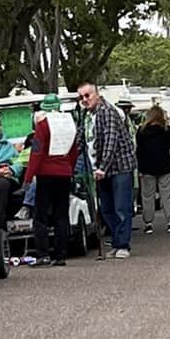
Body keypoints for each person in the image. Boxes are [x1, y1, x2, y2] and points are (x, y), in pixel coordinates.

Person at [78, 84, 136, 259]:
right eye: (81, 97)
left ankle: (123, 244)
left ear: (97, 94)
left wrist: (103, 167)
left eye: (87, 95)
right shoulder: (87, 116)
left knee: (121, 207)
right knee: (106, 209)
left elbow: (111, 140)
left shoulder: (108, 111)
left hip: (119, 166)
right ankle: (117, 242)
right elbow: (82, 140)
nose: (84, 100)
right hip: (100, 168)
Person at [25, 101, 81, 266]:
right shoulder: (70, 124)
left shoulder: (42, 126)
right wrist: (68, 168)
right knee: (61, 214)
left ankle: (43, 254)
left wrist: (28, 178)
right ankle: (60, 255)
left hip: (45, 173)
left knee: (40, 215)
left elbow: (36, 152)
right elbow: (74, 151)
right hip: (64, 173)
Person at [134, 103, 170, 234]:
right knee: (167, 195)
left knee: (147, 196)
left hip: (147, 167)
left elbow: (139, 150)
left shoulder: (141, 131)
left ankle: (148, 223)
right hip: (164, 165)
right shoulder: (166, 130)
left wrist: (140, 168)